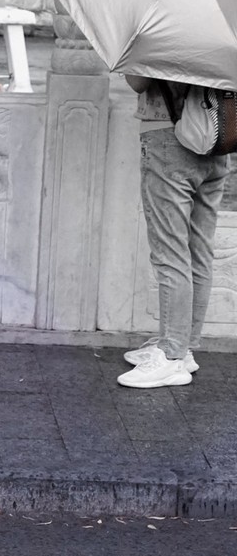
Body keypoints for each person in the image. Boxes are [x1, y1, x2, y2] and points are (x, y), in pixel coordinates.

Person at [117, 76, 229, 389]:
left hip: (170, 137)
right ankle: (184, 347)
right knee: (198, 251)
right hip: (217, 137)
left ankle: (171, 354)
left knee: (170, 252)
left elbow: (138, 82)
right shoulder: (223, 31)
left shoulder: (164, 30)